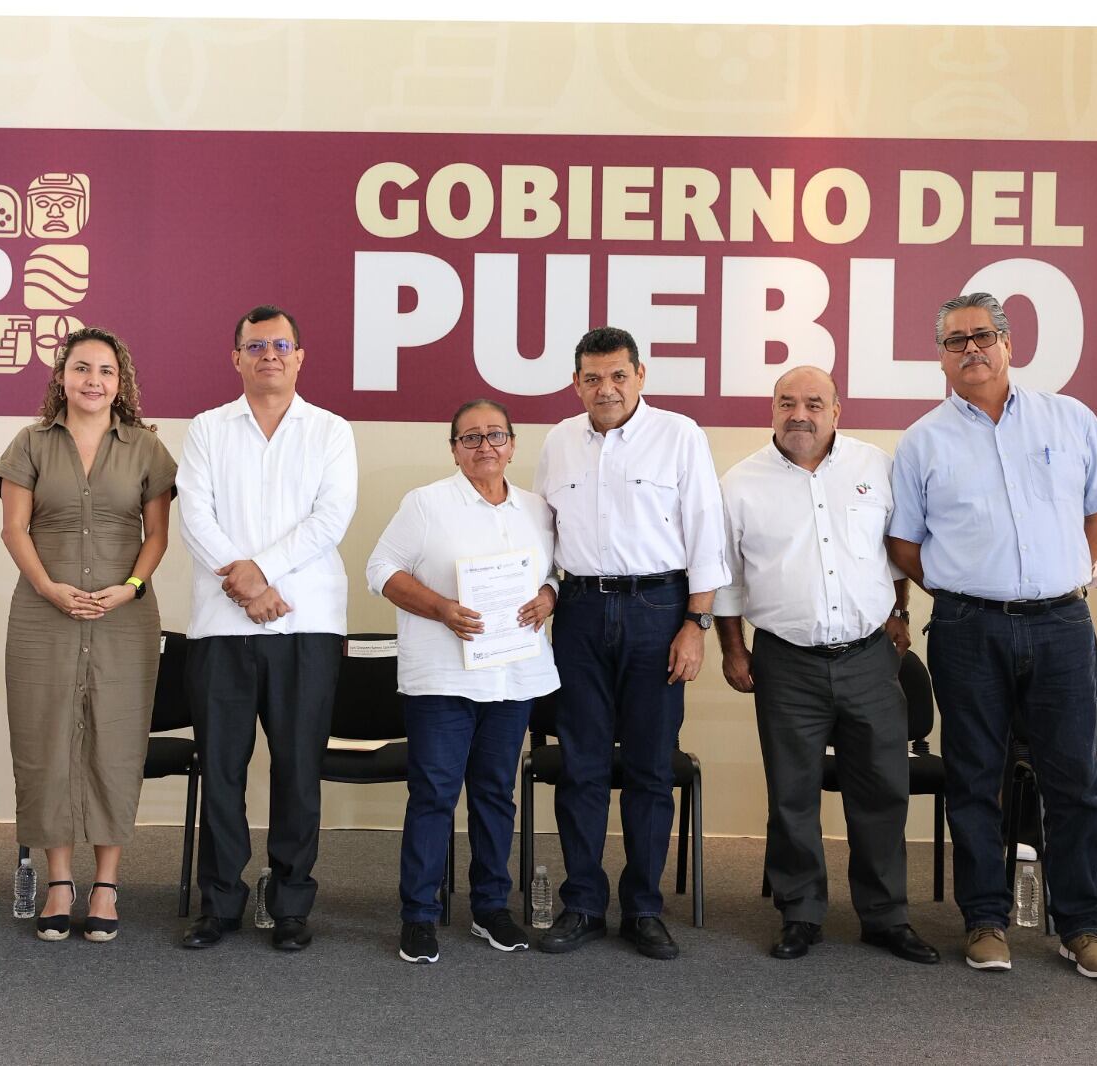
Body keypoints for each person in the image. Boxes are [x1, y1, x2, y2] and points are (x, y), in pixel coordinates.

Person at [887, 293, 1097, 980]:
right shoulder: (923, 441)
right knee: (973, 780)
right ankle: (985, 921)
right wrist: (963, 586)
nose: (971, 349)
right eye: (955, 340)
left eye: (983, 335)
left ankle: (1082, 927)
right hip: (968, 629)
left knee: (1075, 780)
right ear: (940, 355)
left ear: (1008, 342)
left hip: (1061, 623)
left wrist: (1059, 579)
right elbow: (904, 545)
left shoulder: (1070, 418)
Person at [716, 366, 938, 965]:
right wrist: (733, 649)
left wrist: (899, 612)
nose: (800, 414)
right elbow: (728, 579)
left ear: (837, 410)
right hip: (786, 664)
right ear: (771, 410)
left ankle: (885, 916)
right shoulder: (739, 484)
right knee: (791, 793)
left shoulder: (877, 467)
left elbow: (896, 552)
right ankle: (801, 912)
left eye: (814, 403)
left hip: (870, 659)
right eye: (787, 403)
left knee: (883, 789)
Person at [531, 326, 727, 960]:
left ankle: (644, 908)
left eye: (618, 375)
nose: (605, 388)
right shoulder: (559, 441)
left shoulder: (679, 436)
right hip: (581, 611)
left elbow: (705, 534)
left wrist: (695, 627)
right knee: (581, 767)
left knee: (649, 767)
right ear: (576, 382)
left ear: (640, 376)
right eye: (592, 378)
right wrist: (545, 590)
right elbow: (541, 533)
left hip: (658, 610)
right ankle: (582, 903)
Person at [177, 304, 357, 952]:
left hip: (305, 623)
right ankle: (219, 902)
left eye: (281, 344)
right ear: (237, 358)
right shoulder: (205, 430)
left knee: (297, 768)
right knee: (221, 769)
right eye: (256, 346)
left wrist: (260, 574)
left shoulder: (331, 431)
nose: (269, 355)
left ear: (300, 357)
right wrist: (246, 584)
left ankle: (289, 903)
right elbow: (195, 517)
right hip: (220, 627)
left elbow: (330, 519)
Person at [0, 326, 175, 943]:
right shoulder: (31, 443)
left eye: (106, 371)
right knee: (46, 740)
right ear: (61, 377)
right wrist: (48, 587)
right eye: (81, 369)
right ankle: (60, 879)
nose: (93, 381)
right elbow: (15, 529)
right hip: (44, 615)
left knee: (116, 742)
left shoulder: (147, 448)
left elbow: (156, 537)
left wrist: (132, 587)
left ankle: (107, 884)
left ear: (121, 383)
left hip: (125, 618)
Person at [366, 399, 560, 964]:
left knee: (496, 793)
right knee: (434, 795)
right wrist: (441, 608)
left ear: (512, 444)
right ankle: (419, 914)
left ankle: (491, 907)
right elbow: (381, 570)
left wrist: (549, 595)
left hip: (512, 673)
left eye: (495, 436)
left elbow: (552, 574)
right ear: (453, 448)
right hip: (443, 677)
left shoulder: (535, 509)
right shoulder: (426, 504)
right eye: (470, 438)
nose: (484, 447)